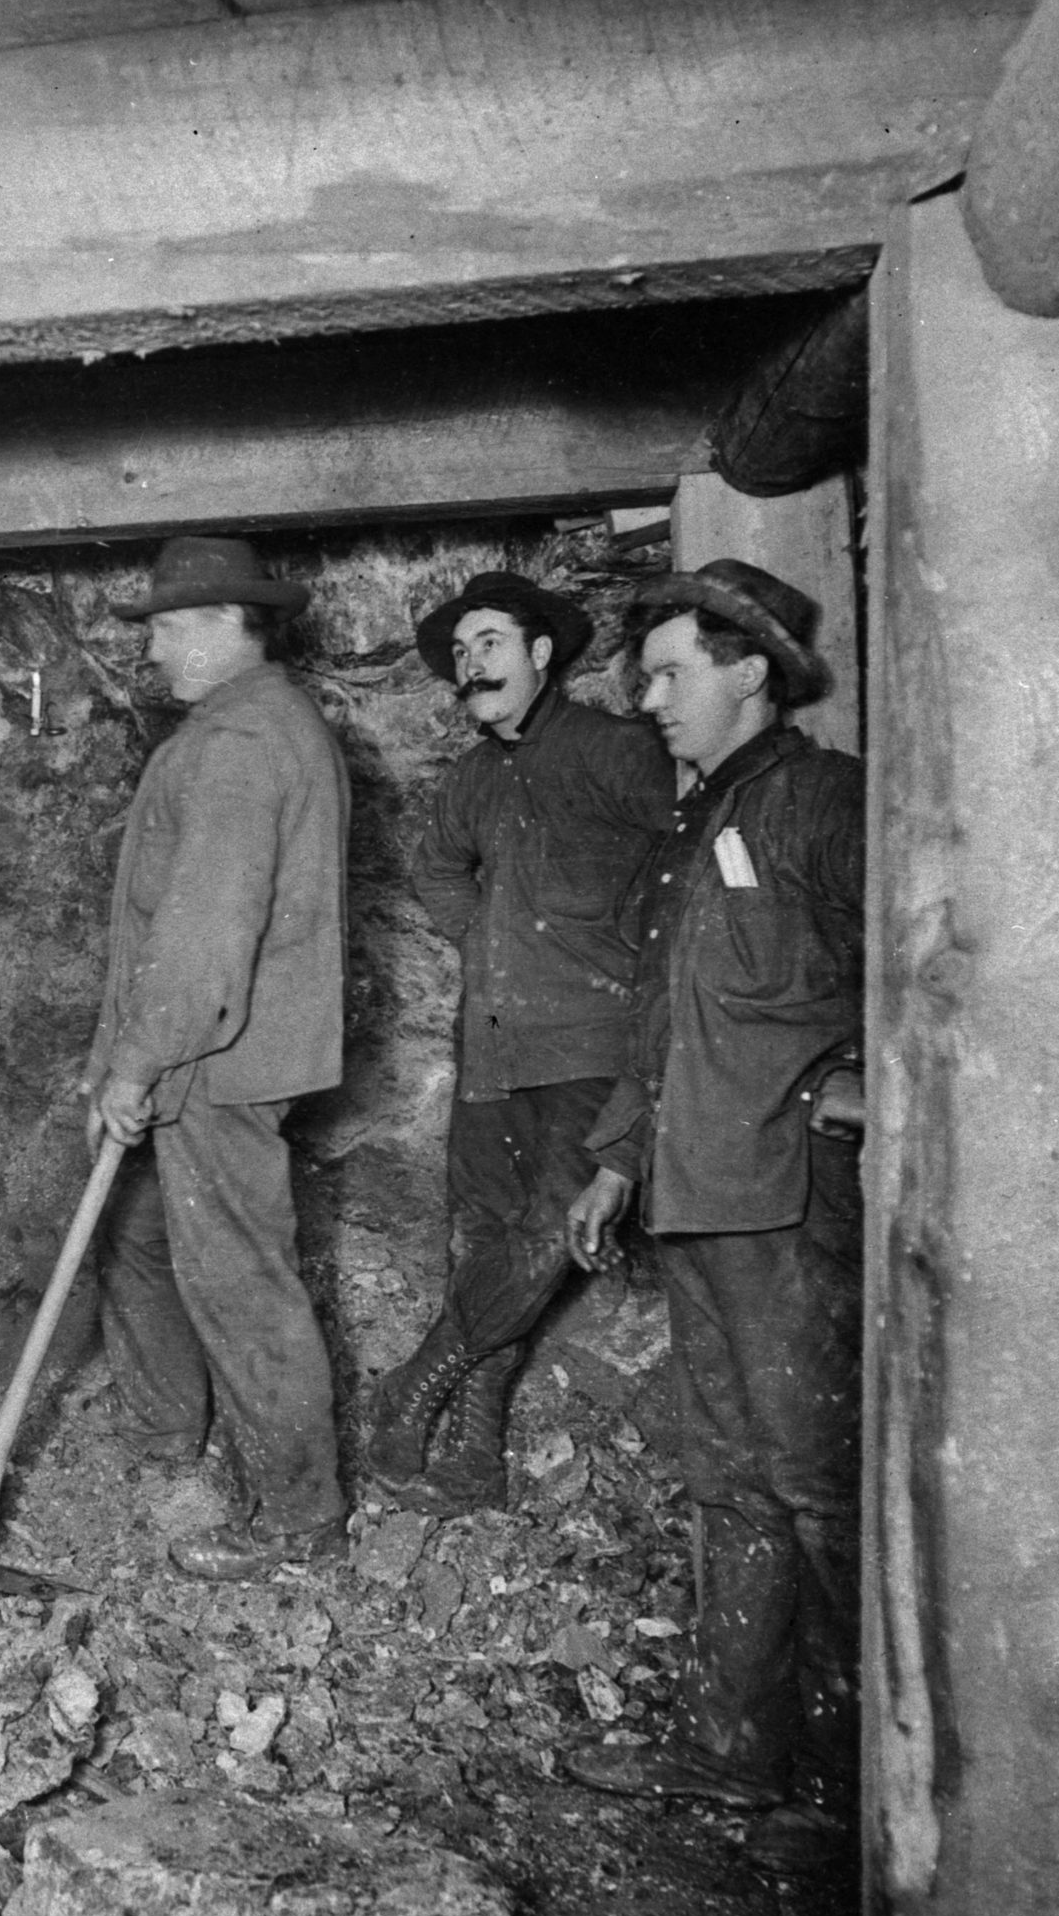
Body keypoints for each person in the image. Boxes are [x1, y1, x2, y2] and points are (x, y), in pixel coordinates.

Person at [558, 559, 863, 1880]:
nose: (653, 695)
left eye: (675, 669)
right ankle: (733, 1753)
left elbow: (928, 966)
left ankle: (872, 1786)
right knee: (731, 1480)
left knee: (816, 1489)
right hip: (693, 1197)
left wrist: (855, 1090)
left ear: (753, 668)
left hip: (787, 1208)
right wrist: (617, 1162)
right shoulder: (696, 825)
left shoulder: (828, 807)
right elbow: (658, 1026)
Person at [372, 571, 675, 1512]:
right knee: (493, 1235)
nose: (471, 665)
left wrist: (626, 952)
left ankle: (414, 1381)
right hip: (496, 1037)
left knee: (551, 1233)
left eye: (490, 643)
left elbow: (689, 851)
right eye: (461, 654)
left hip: (594, 1041)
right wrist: (481, 934)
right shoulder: (472, 775)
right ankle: (473, 1453)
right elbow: (435, 868)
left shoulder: (615, 751)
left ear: (543, 653)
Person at [84, 534, 352, 1581]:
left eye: (162, 626)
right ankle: (174, 1451)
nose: (150, 651)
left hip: (214, 1066)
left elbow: (201, 941)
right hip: (213, 1056)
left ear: (224, 625)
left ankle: (295, 1520)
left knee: (242, 1286)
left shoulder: (241, 742)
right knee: (146, 1243)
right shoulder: (245, 727)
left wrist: (136, 1066)